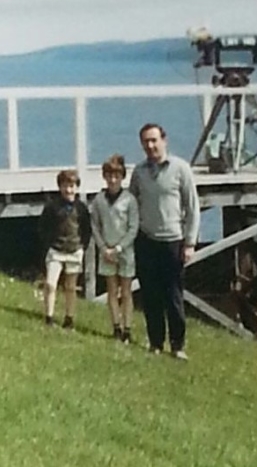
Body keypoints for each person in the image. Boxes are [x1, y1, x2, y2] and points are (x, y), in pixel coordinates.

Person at [129, 123, 200, 360]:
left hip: (173, 241)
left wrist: (190, 243)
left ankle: (177, 346)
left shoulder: (180, 169)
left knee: (173, 296)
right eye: (146, 142)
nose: (150, 146)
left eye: (154, 140)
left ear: (164, 140)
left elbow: (192, 208)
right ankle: (156, 343)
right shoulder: (139, 172)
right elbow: (132, 204)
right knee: (150, 295)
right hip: (146, 240)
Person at [90, 154, 139, 343]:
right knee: (112, 291)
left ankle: (127, 328)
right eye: (109, 176)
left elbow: (133, 227)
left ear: (122, 177)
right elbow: (95, 225)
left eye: (116, 176)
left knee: (126, 292)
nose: (112, 180)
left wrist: (118, 248)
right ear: (104, 176)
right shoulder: (99, 200)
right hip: (106, 251)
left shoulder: (129, 200)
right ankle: (116, 327)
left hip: (124, 251)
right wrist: (103, 248)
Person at [37, 169, 91, 330]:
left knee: (71, 287)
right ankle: (49, 317)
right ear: (60, 187)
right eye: (65, 186)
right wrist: (49, 244)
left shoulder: (81, 208)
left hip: (74, 250)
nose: (68, 190)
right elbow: (43, 227)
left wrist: (82, 246)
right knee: (50, 284)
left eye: (72, 186)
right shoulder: (52, 206)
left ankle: (69, 318)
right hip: (56, 250)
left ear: (77, 187)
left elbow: (86, 229)